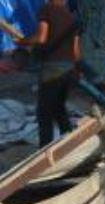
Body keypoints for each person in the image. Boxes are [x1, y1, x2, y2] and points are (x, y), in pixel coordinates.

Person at [16, 0, 79, 146]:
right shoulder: (71, 16)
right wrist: (76, 70)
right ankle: (71, 142)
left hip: (52, 69)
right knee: (59, 108)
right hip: (69, 68)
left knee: (44, 114)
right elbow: (76, 51)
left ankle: (45, 149)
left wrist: (23, 41)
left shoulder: (47, 9)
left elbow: (41, 37)